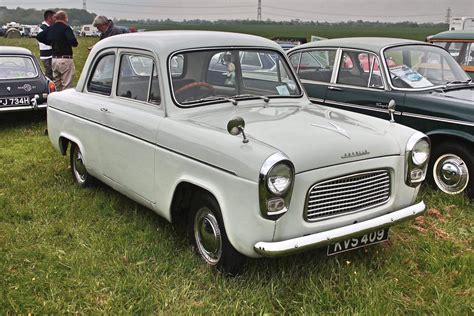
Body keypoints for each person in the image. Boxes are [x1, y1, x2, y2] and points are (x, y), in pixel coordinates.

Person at [37, 10, 78, 91]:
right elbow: (74, 42)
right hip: (65, 59)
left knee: (57, 84)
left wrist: (50, 43)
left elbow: (39, 36)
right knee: (67, 85)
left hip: (54, 60)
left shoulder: (51, 28)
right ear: (65, 18)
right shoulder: (66, 28)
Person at [37, 9, 55, 79]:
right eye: (54, 17)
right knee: (49, 75)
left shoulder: (46, 27)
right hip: (47, 55)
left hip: (49, 55)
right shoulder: (44, 28)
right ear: (49, 18)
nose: (55, 19)